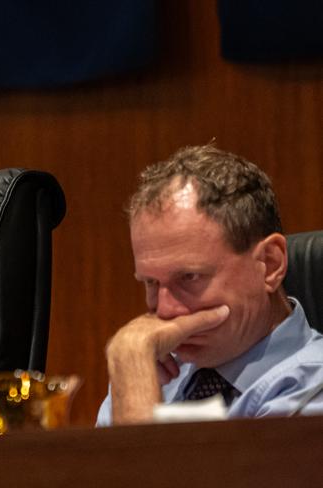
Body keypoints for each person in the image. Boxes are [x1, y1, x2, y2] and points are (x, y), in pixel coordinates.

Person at [96, 144, 323, 426]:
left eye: (189, 277)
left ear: (270, 264)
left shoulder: (313, 386)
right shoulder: (153, 367)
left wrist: (131, 371)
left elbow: (146, 472)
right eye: (151, 282)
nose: (165, 311)